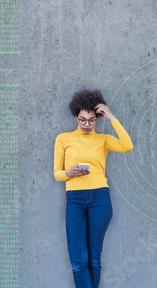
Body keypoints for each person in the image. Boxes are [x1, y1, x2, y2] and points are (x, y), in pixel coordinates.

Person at [53, 88, 133, 288]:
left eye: (91, 120)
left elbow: (127, 145)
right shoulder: (63, 139)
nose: (87, 124)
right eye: (82, 120)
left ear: (97, 118)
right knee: (79, 262)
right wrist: (69, 173)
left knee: (94, 259)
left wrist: (112, 117)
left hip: (100, 198)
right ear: (75, 116)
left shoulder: (103, 140)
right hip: (75, 199)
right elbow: (57, 173)